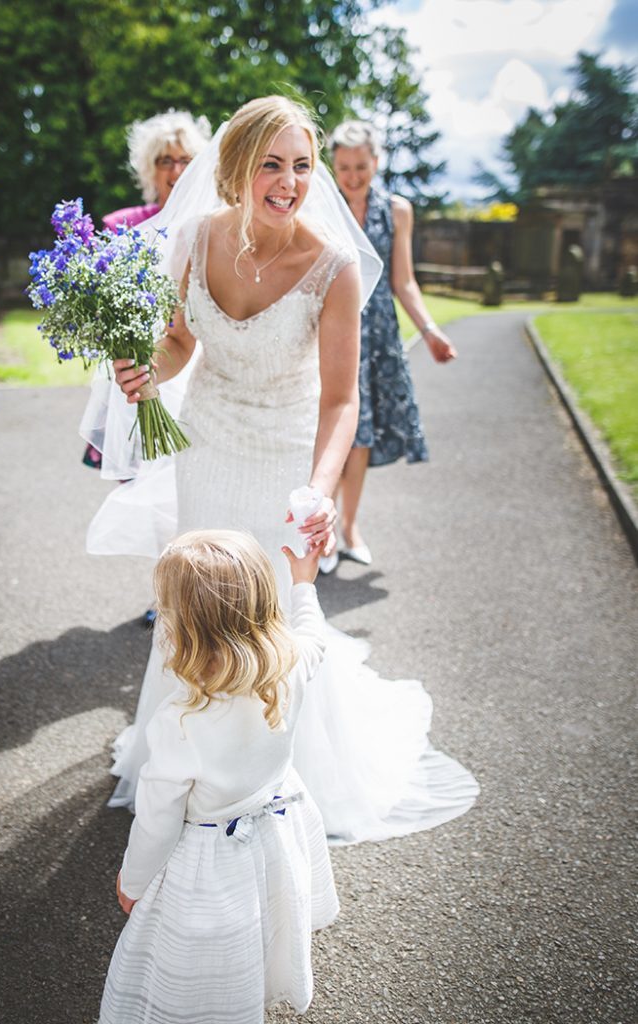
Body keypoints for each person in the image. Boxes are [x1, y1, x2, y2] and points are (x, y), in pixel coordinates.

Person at [92, 94, 478, 844]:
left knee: (270, 617)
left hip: (283, 459)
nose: (290, 180)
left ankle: (272, 775)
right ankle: (185, 758)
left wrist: (319, 491)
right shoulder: (194, 240)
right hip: (205, 447)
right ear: (234, 170)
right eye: (271, 163)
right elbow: (179, 345)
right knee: (199, 604)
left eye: (302, 165)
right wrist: (145, 367)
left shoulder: (331, 266)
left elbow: (341, 401)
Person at [98, 529, 338, 1024]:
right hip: (275, 832)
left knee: (203, 957)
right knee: (264, 922)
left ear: (183, 628)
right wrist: (304, 582)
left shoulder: (180, 719)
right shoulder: (288, 665)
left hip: (209, 857)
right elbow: (314, 639)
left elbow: (158, 820)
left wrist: (134, 880)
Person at [324, 119, 457, 571]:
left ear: (376, 162)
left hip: (377, 334)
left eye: (361, 166)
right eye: (344, 167)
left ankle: (349, 528)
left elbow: (404, 281)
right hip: (330, 330)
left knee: (361, 436)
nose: (353, 176)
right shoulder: (320, 207)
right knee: (330, 433)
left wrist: (429, 329)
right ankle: (321, 533)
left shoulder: (397, 210)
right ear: (333, 165)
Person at [82, 109, 211, 474]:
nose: (176, 170)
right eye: (165, 160)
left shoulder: (212, 224)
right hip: (141, 364)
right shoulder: (119, 227)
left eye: (185, 159)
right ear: (148, 168)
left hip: (194, 363)